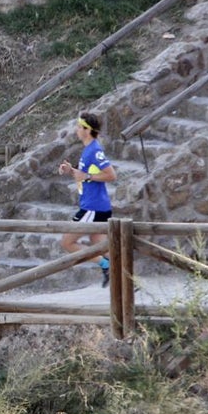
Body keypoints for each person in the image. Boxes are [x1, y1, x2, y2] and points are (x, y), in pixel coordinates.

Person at [58, 111, 117, 287]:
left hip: (93, 207)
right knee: (101, 248)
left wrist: (87, 176)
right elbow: (84, 175)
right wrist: (72, 171)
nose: (76, 130)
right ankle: (126, 277)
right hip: (94, 205)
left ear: (87, 130)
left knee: (68, 242)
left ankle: (107, 266)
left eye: (78, 126)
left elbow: (111, 175)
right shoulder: (88, 150)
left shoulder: (95, 150)